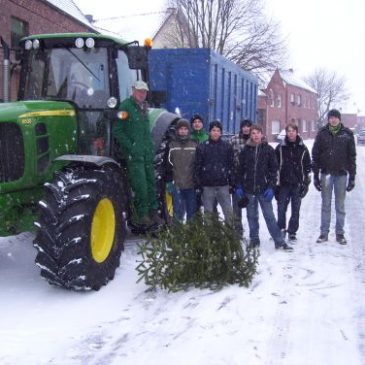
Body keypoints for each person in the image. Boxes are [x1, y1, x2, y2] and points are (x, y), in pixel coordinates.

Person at [113, 80, 163, 227]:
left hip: (147, 153)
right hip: (134, 155)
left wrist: (150, 146)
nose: (142, 94)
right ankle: (142, 215)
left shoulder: (144, 108)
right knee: (140, 185)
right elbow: (118, 131)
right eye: (140, 91)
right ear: (133, 90)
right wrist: (132, 147)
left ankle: (153, 212)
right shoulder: (125, 107)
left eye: (144, 92)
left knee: (151, 183)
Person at [235, 125, 292, 250]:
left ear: (262, 134)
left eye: (258, 133)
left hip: (263, 189)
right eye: (253, 133)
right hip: (249, 189)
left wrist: (271, 187)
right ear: (250, 135)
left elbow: (273, 170)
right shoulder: (245, 150)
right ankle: (254, 239)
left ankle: (279, 241)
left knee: (269, 216)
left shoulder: (268, 150)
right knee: (251, 216)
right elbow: (240, 170)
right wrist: (239, 185)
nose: (255, 135)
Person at [312, 109, 356, 244]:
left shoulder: (347, 135)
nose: (333, 120)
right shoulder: (322, 134)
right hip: (326, 174)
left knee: (340, 206)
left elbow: (351, 157)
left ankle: (340, 234)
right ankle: (323, 233)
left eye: (336, 117)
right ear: (328, 119)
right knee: (325, 205)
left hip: (341, 175)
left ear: (339, 119)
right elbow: (315, 155)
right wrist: (315, 176)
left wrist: (352, 177)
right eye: (331, 117)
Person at [275, 123, 311, 242]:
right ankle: (280, 229)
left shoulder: (303, 148)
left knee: (295, 210)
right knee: (281, 209)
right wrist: (276, 185)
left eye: (293, 131)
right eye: (288, 131)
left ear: (297, 132)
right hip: (283, 184)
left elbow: (307, 167)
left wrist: (306, 184)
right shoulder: (280, 148)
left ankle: (292, 231)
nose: (291, 133)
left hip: (297, 184)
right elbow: (274, 167)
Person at [194, 121, 234, 222]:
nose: (215, 133)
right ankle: (210, 236)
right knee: (208, 213)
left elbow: (231, 165)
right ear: (209, 132)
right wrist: (198, 183)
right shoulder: (202, 147)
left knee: (228, 212)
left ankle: (230, 235)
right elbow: (197, 166)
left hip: (223, 185)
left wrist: (231, 182)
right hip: (207, 186)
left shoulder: (227, 147)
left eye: (218, 130)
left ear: (221, 132)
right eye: (213, 130)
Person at [164, 119, 198, 222]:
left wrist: (197, 181)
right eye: (181, 129)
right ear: (177, 130)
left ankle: (190, 235)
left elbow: (198, 164)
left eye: (185, 129)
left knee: (191, 212)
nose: (183, 131)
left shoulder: (194, 144)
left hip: (191, 185)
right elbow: (167, 164)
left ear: (188, 130)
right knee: (178, 212)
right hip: (177, 184)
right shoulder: (171, 145)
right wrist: (169, 181)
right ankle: (178, 235)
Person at [230, 119, 252, 235]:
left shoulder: (255, 139)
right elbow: (229, 157)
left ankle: (253, 231)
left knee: (251, 208)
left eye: (248, 126)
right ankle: (238, 229)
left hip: (251, 178)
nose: (246, 128)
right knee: (237, 206)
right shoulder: (234, 140)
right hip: (237, 177)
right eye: (244, 126)